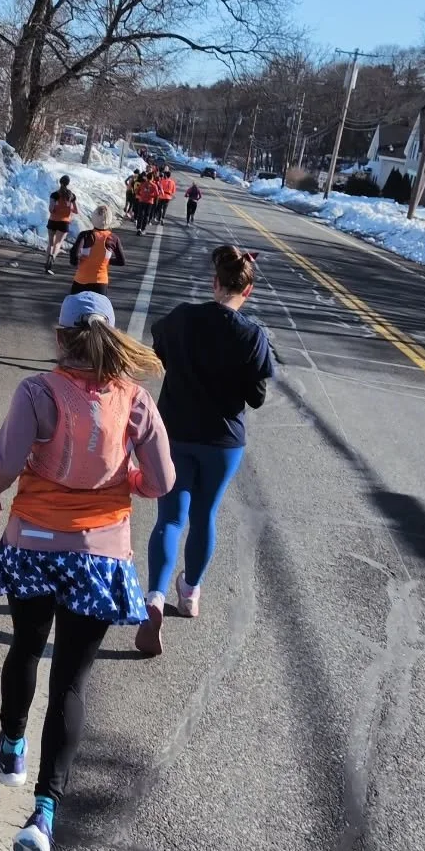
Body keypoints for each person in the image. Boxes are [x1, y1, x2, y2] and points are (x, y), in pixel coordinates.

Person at [0, 291, 173, 851]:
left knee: (26, 646)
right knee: (71, 683)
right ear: (109, 338)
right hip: (99, 554)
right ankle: (44, 815)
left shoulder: (37, 393)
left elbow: (8, 461)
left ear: (59, 338)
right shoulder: (136, 402)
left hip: (33, 542)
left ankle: (11, 745)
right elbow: (160, 481)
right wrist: (126, 477)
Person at [139, 246, 275, 656]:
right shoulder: (252, 335)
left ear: (214, 283)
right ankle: (191, 592)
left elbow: (159, 352)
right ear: (247, 292)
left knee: (170, 518)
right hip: (222, 443)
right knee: (204, 516)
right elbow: (257, 397)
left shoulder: (181, 318)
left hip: (175, 431)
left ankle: (154, 598)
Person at [68, 205, 126, 292]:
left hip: (81, 281)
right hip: (100, 283)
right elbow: (121, 261)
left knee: (74, 304)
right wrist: (105, 260)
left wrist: (76, 261)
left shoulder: (85, 235)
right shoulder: (113, 238)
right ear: (109, 220)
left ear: (93, 218)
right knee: (99, 305)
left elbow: (74, 255)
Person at [45, 175, 79, 273]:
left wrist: (57, 208)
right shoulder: (71, 196)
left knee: (50, 243)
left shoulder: (54, 195)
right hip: (64, 222)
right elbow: (76, 211)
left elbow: (51, 209)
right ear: (68, 183)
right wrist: (68, 209)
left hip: (52, 221)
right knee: (58, 243)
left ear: (60, 182)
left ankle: (47, 261)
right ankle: (53, 257)